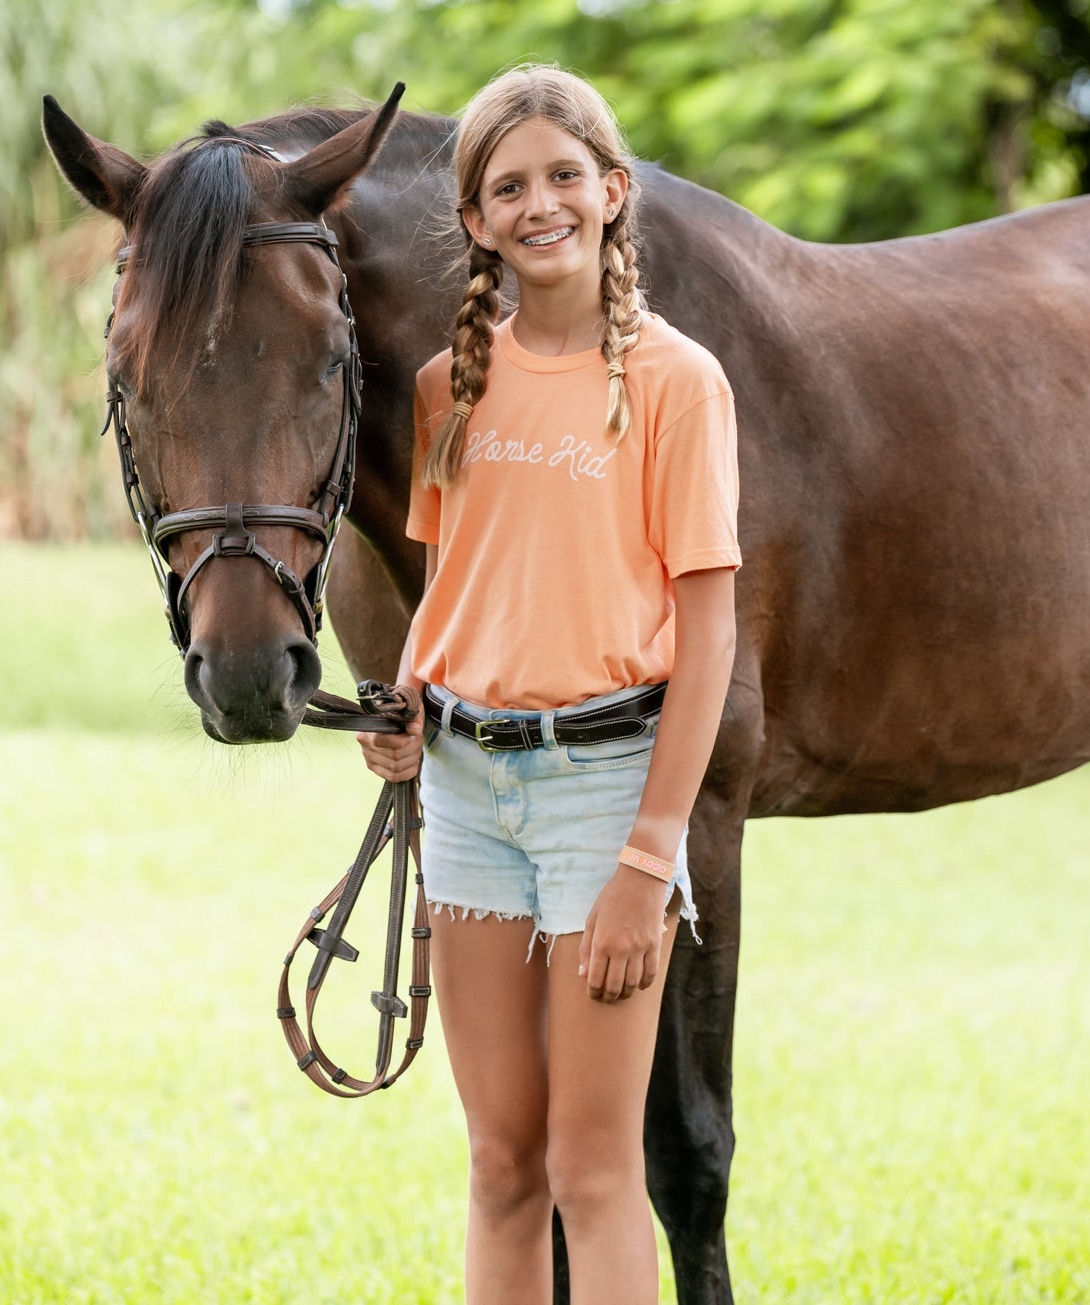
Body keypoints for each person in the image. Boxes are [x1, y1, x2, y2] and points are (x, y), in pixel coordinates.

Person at [358, 65, 740, 1305]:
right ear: (473, 219)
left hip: (603, 801)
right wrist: (409, 702)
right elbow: (451, 592)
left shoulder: (677, 384)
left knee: (592, 1167)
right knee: (501, 1165)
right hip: (468, 801)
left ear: (614, 192)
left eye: (564, 177)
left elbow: (709, 633)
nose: (540, 205)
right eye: (507, 186)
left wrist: (649, 857)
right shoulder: (446, 392)